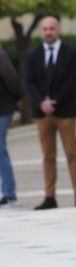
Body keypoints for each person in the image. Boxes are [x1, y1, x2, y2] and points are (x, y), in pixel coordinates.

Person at [25, 16, 76, 210]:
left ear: (58, 30)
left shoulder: (71, 53)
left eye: (51, 28)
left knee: (71, 153)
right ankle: (49, 196)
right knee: (48, 156)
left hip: (65, 111)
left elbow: (72, 80)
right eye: (45, 29)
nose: (48, 32)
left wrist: (56, 101)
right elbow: (30, 82)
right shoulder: (34, 55)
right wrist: (41, 102)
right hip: (42, 113)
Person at [0, 43, 23, 208]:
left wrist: (18, 97)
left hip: (2, 109)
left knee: (0, 151)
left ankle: (9, 194)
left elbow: (11, 78)